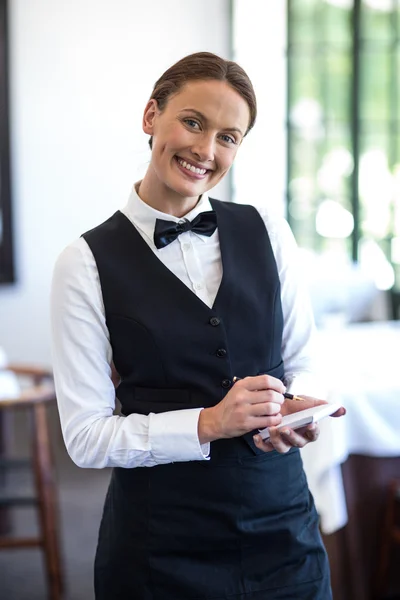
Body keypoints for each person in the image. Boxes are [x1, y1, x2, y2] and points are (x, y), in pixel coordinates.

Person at [50, 51, 345, 600]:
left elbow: (303, 359)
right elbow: (86, 438)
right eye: (192, 122)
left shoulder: (270, 232)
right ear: (150, 116)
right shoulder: (83, 262)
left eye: (229, 137)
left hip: (283, 533)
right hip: (158, 548)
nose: (206, 151)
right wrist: (207, 422)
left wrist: (301, 409)